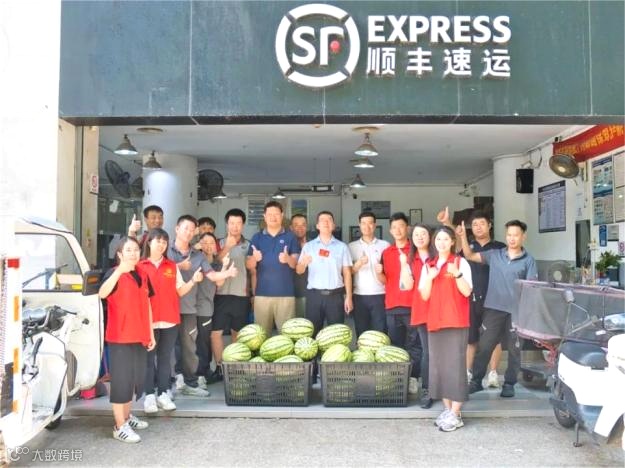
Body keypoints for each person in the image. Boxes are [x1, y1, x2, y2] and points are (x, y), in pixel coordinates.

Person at [458, 219, 538, 398]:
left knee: (514, 349)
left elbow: (531, 288)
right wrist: (463, 237)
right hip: (493, 308)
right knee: (484, 346)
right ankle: (476, 381)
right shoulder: (495, 255)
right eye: (509, 235)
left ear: (523, 237)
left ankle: (509, 383)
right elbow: (470, 255)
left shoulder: (529, 261)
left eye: (515, 235)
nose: (512, 238)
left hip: (516, 312)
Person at [168, 215, 237, 397]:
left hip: (189, 307)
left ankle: (190, 381)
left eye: (192, 229)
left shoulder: (198, 256)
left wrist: (227, 272)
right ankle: (164, 387)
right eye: (186, 228)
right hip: (166, 307)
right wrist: (179, 266)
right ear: (177, 229)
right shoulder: (165, 249)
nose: (189, 232)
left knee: (189, 347)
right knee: (166, 347)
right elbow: (155, 268)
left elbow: (212, 275)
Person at [139, 228, 204, 414]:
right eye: (157, 241)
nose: (161, 244)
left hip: (169, 319)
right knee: (148, 359)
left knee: (165, 358)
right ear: (149, 242)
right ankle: (149, 396)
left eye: (164, 242)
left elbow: (180, 291)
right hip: (148, 321)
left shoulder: (171, 266)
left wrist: (193, 281)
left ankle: (163, 393)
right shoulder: (140, 266)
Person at [98, 236, 155, 443]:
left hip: (140, 335)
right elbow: (102, 293)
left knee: (133, 380)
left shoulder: (142, 273)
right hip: (120, 337)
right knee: (121, 381)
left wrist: (150, 333)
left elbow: (147, 304)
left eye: (136, 249)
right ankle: (119, 425)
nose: (133, 253)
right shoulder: (114, 273)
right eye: (128, 250)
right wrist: (119, 272)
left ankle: (127, 416)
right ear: (120, 254)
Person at [419, 226, 473, 432]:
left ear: (452, 242)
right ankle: (448, 410)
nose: (441, 243)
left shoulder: (460, 262)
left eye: (445, 239)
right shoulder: (429, 265)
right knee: (439, 367)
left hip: (456, 321)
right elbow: (424, 295)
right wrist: (430, 277)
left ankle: (456, 413)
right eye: (438, 239)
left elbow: (467, 292)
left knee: (455, 366)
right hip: (435, 321)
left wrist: (457, 274)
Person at [378, 212, 422, 395]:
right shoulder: (386, 252)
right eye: (394, 227)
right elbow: (384, 280)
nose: (397, 230)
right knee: (396, 345)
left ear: (407, 228)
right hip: (392, 306)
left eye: (401, 226)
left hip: (413, 305)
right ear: (390, 230)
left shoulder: (416, 250)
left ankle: (413, 378)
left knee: (414, 344)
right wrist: (378, 272)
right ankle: (398, 380)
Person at [463, 212, 506, 387]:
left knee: (494, 338)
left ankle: (493, 374)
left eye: (482, 223)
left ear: (489, 225)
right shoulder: (467, 247)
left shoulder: (500, 248)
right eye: (475, 224)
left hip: (495, 299)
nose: (478, 227)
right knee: (471, 338)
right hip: (472, 298)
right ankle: (468, 372)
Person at [246, 201, 300, 335]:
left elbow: (296, 264)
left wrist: (288, 259)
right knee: (260, 336)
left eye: (276, 214)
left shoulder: (291, 237)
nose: (273, 217)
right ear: (264, 216)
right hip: (262, 295)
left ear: (282, 215)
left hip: (286, 295)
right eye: (269, 214)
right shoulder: (257, 238)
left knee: (287, 336)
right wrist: (254, 258)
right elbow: (249, 265)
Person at [296, 211, 353, 334]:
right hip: (314, 296)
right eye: (322, 220)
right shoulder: (309, 246)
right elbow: (299, 271)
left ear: (333, 225)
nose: (326, 222)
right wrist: (303, 263)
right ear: (317, 225)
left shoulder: (342, 247)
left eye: (329, 220)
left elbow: (347, 273)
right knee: (312, 334)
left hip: (335, 296)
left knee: (336, 334)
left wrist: (349, 297)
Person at [211, 208, 251, 381]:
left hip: (241, 295)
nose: (235, 227)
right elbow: (213, 263)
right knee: (215, 333)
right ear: (226, 224)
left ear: (243, 225)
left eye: (238, 223)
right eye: (232, 223)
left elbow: (252, 271)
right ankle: (220, 367)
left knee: (237, 333)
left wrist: (251, 294)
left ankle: (235, 367)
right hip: (219, 295)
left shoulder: (249, 245)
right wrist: (227, 246)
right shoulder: (217, 243)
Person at [400, 223, 435, 408]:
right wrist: (403, 265)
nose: (420, 237)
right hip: (421, 310)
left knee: (443, 351)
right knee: (428, 351)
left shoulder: (438, 257)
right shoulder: (410, 259)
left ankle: (446, 388)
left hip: (441, 310)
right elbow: (406, 286)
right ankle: (427, 390)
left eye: (423, 234)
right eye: (416, 234)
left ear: (430, 237)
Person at [348, 211, 389, 336]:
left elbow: (390, 273)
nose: (367, 226)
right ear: (359, 225)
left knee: (381, 333)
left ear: (375, 225)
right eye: (363, 223)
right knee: (362, 332)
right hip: (359, 295)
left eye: (370, 223)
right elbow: (347, 273)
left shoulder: (385, 245)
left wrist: (381, 270)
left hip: (380, 294)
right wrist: (358, 264)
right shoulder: (351, 247)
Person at [196, 232, 226, 385]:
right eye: (205, 242)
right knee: (190, 342)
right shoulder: (194, 260)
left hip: (205, 308)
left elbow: (219, 283)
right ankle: (193, 373)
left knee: (203, 341)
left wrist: (225, 267)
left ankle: (203, 371)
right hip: (189, 307)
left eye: (211, 242)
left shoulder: (217, 264)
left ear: (216, 246)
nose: (208, 245)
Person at [290, 214, 308, 318]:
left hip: (307, 293)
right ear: (291, 227)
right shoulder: (285, 244)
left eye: (303, 225)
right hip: (287, 294)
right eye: (296, 225)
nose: (300, 228)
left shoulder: (314, 244)